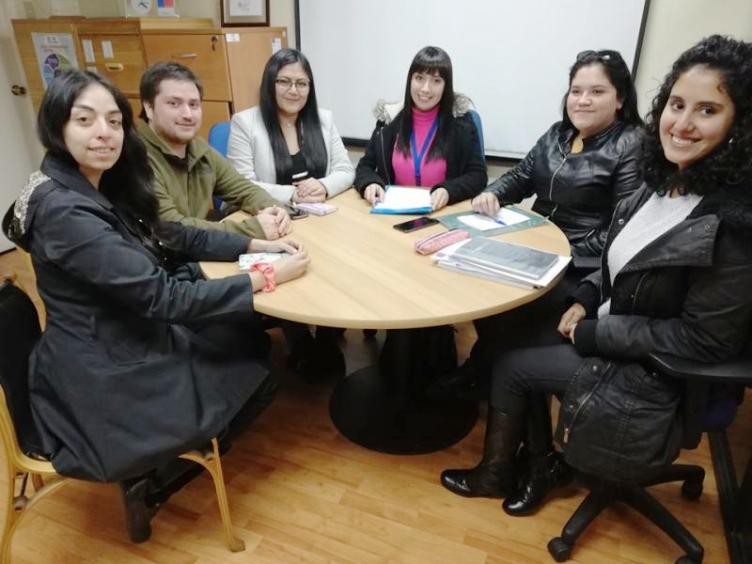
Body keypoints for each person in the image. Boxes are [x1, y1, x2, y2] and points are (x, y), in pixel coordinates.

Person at [440, 35, 752, 517]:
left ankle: (499, 472)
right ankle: (541, 462)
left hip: (652, 368)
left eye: (707, 111)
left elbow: (705, 341)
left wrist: (595, 329)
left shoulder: (732, 222)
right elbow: (619, 258)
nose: (683, 124)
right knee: (512, 335)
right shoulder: (668, 184)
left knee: (512, 364)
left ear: (739, 126)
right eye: (676, 104)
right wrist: (586, 296)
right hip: (614, 321)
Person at [2, 70, 309, 542]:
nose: (103, 132)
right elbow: (164, 298)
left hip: (106, 338)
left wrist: (250, 246)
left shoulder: (89, 182)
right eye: (85, 120)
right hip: (107, 368)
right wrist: (265, 276)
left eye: (111, 120)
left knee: (244, 336)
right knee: (260, 375)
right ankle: (149, 478)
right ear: (57, 126)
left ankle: (156, 462)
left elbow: (170, 234)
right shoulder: (65, 211)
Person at [435, 48, 645, 396]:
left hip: (580, 263)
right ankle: (484, 365)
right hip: (535, 246)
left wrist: (559, 251)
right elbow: (519, 177)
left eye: (597, 92)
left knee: (510, 310)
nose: (583, 100)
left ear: (620, 98)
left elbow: (620, 231)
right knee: (471, 277)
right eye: (576, 91)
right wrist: (492, 194)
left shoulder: (630, 145)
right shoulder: (557, 134)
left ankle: (485, 372)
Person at [137, 61, 292, 240]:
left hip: (199, 248)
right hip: (162, 260)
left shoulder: (198, 148)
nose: (187, 114)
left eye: (194, 105)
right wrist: (251, 229)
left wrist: (274, 209)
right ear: (149, 108)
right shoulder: (135, 158)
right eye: (174, 103)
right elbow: (171, 228)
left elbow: (244, 189)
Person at [354, 45, 487, 211]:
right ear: (410, 79)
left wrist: (448, 190)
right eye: (419, 78)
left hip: (442, 214)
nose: (425, 88)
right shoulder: (389, 120)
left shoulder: (462, 123)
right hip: (393, 214)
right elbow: (365, 166)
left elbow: (478, 176)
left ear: (446, 85)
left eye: (436, 81)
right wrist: (370, 183)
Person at [227, 48, 355, 203]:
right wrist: (293, 195)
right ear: (269, 83)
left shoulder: (324, 119)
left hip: (318, 213)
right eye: (284, 81)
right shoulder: (244, 123)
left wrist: (323, 185)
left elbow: (346, 170)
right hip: (269, 214)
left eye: (301, 84)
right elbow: (242, 186)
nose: (294, 91)